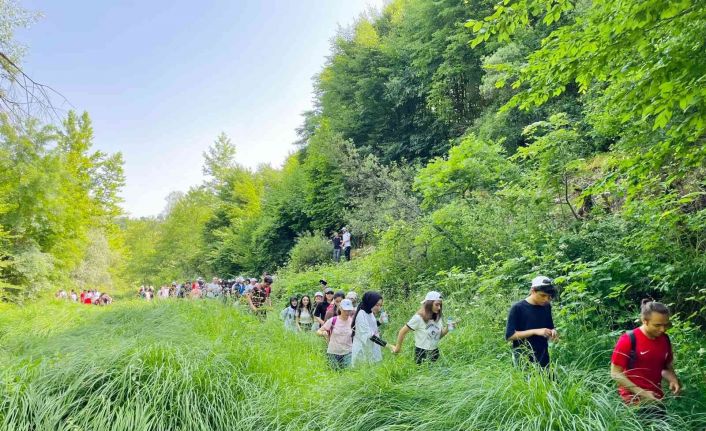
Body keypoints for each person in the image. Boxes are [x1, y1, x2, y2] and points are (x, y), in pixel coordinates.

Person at [610, 299, 680, 413]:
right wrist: (642, 393)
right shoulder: (628, 339)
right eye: (657, 325)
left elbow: (665, 367)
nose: (662, 329)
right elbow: (615, 373)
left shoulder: (665, 339)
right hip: (631, 402)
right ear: (644, 321)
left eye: (665, 325)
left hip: (656, 399)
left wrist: (673, 380)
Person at [505, 276, 558, 368]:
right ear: (533, 291)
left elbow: (549, 327)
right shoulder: (518, 308)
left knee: (550, 381)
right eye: (542, 295)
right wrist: (535, 331)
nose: (546, 299)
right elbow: (510, 336)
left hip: (543, 354)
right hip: (523, 356)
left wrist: (552, 332)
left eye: (549, 296)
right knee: (527, 382)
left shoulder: (546, 306)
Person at [392, 291, 448, 364]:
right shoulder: (418, 318)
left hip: (435, 352)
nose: (439, 308)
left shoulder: (437, 317)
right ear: (429, 304)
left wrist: (448, 328)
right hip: (422, 353)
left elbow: (437, 336)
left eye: (440, 305)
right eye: (437, 305)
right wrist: (398, 347)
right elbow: (402, 332)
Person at [351, 291, 393, 366]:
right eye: (377, 305)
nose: (379, 308)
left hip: (370, 347)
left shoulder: (369, 312)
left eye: (380, 305)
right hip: (362, 350)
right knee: (363, 372)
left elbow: (371, 326)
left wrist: (380, 321)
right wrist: (389, 346)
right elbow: (370, 336)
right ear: (370, 302)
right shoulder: (361, 315)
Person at [317, 299, 355, 370]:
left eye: (349, 310)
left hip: (348, 352)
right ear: (340, 308)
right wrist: (323, 333)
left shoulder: (353, 322)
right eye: (345, 310)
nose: (347, 312)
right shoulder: (333, 320)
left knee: (348, 373)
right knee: (333, 375)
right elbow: (318, 331)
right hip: (333, 352)